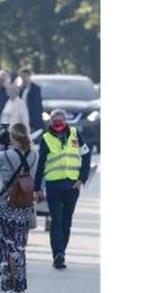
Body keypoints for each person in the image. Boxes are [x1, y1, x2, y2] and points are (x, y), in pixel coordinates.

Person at [0, 124, 38, 293]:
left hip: (6, 206)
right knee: (20, 248)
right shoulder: (34, 155)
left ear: (13, 139)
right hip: (25, 207)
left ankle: (8, 288)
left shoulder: (6, 155)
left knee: (8, 248)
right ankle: (20, 289)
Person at [35, 109, 92, 270]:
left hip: (72, 185)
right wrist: (37, 187)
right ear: (51, 122)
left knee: (67, 222)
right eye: (55, 121)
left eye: (60, 121)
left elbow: (86, 155)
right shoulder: (46, 138)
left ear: (66, 121)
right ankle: (58, 254)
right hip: (54, 185)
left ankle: (62, 253)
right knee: (56, 221)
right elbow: (41, 164)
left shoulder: (74, 134)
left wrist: (82, 178)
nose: (58, 124)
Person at [19, 68, 44, 136]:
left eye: (25, 76)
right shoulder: (20, 89)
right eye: (22, 76)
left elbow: (37, 106)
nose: (23, 78)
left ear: (29, 76)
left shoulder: (35, 89)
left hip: (32, 119)